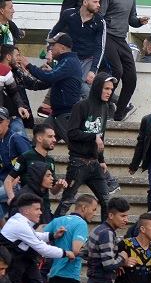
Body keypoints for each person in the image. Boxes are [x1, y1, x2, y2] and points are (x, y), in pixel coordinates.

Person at [1, 193, 72, 283]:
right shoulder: (19, 224)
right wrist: (66, 253)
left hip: (26, 260)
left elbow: (34, 236)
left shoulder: (24, 223)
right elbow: (42, 249)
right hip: (11, 262)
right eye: (37, 209)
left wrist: (52, 235)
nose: (41, 212)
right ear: (26, 211)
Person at [58, 73, 116, 218]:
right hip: (78, 163)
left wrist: (101, 160)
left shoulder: (105, 107)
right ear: (97, 87)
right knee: (67, 201)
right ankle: (51, 232)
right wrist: (93, 137)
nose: (109, 92)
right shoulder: (81, 105)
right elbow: (71, 133)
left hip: (94, 164)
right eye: (106, 88)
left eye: (111, 89)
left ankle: (104, 236)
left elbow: (100, 136)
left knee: (106, 201)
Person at [100, 0, 148, 121]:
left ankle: (119, 113)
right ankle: (104, 105)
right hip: (108, 37)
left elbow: (131, 19)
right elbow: (99, 18)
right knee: (117, 71)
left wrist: (139, 21)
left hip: (122, 39)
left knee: (131, 78)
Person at [46, 195, 98, 283]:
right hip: (67, 277)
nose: (95, 213)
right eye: (94, 209)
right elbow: (76, 250)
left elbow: (40, 234)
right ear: (84, 208)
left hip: (54, 277)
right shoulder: (81, 224)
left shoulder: (58, 220)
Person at [24, 33, 83, 137]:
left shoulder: (69, 61)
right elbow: (51, 78)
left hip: (66, 114)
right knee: (39, 141)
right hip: (56, 113)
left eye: (53, 45)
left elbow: (50, 77)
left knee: (76, 146)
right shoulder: (64, 61)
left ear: (62, 48)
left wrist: (28, 65)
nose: (50, 48)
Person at [50, 0, 107, 99]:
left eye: (98, 2)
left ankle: (95, 111)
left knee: (83, 87)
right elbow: (53, 33)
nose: (99, 5)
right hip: (71, 58)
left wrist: (93, 70)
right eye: (95, 2)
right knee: (69, 85)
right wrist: (49, 50)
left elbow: (101, 48)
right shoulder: (69, 14)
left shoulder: (100, 22)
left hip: (88, 59)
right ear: (85, 2)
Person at [5, 124, 65, 210]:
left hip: (45, 207)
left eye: (54, 137)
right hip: (28, 206)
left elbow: (53, 191)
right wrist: (12, 197)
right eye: (50, 136)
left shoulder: (50, 161)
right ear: (39, 138)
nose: (54, 140)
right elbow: (8, 180)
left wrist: (59, 186)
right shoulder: (26, 157)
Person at [84, 197, 131, 283]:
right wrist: (123, 258)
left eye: (127, 216)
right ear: (111, 215)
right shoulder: (107, 233)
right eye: (122, 216)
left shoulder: (99, 229)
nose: (126, 220)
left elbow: (84, 252)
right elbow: (108, 264)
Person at [0, 107, 30, 215]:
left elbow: (31, 162)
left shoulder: (16, 138)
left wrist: (18, 177)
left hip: (18, 184)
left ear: (7, 122)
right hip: (4, 181)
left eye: (0, 121)